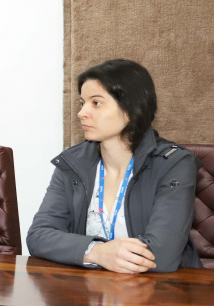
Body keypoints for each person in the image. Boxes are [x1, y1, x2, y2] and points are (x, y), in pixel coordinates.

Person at [26, 59, 202, 273]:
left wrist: (87, 251)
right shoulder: (72, 163)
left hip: (163, 294)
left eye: (96, 103)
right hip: (91, 293)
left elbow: (161, 256)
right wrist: (97, 252)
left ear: (131, 108)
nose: (82, 113)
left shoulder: (174, 163)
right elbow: (38, 236)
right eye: (82, 103)